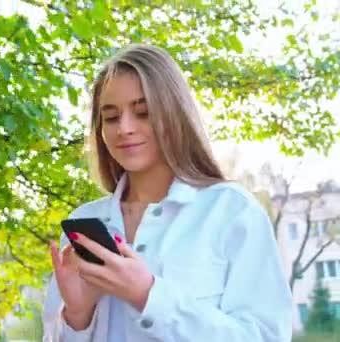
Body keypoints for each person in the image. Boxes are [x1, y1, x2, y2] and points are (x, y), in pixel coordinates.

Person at [42, 44, 292, 341]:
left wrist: (147, 294)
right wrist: (78, 316)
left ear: (176, 114)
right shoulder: (85, 222)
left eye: (143, 112)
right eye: (110, 117)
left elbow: (264, 336)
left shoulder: (232, 211)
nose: (124, 128)